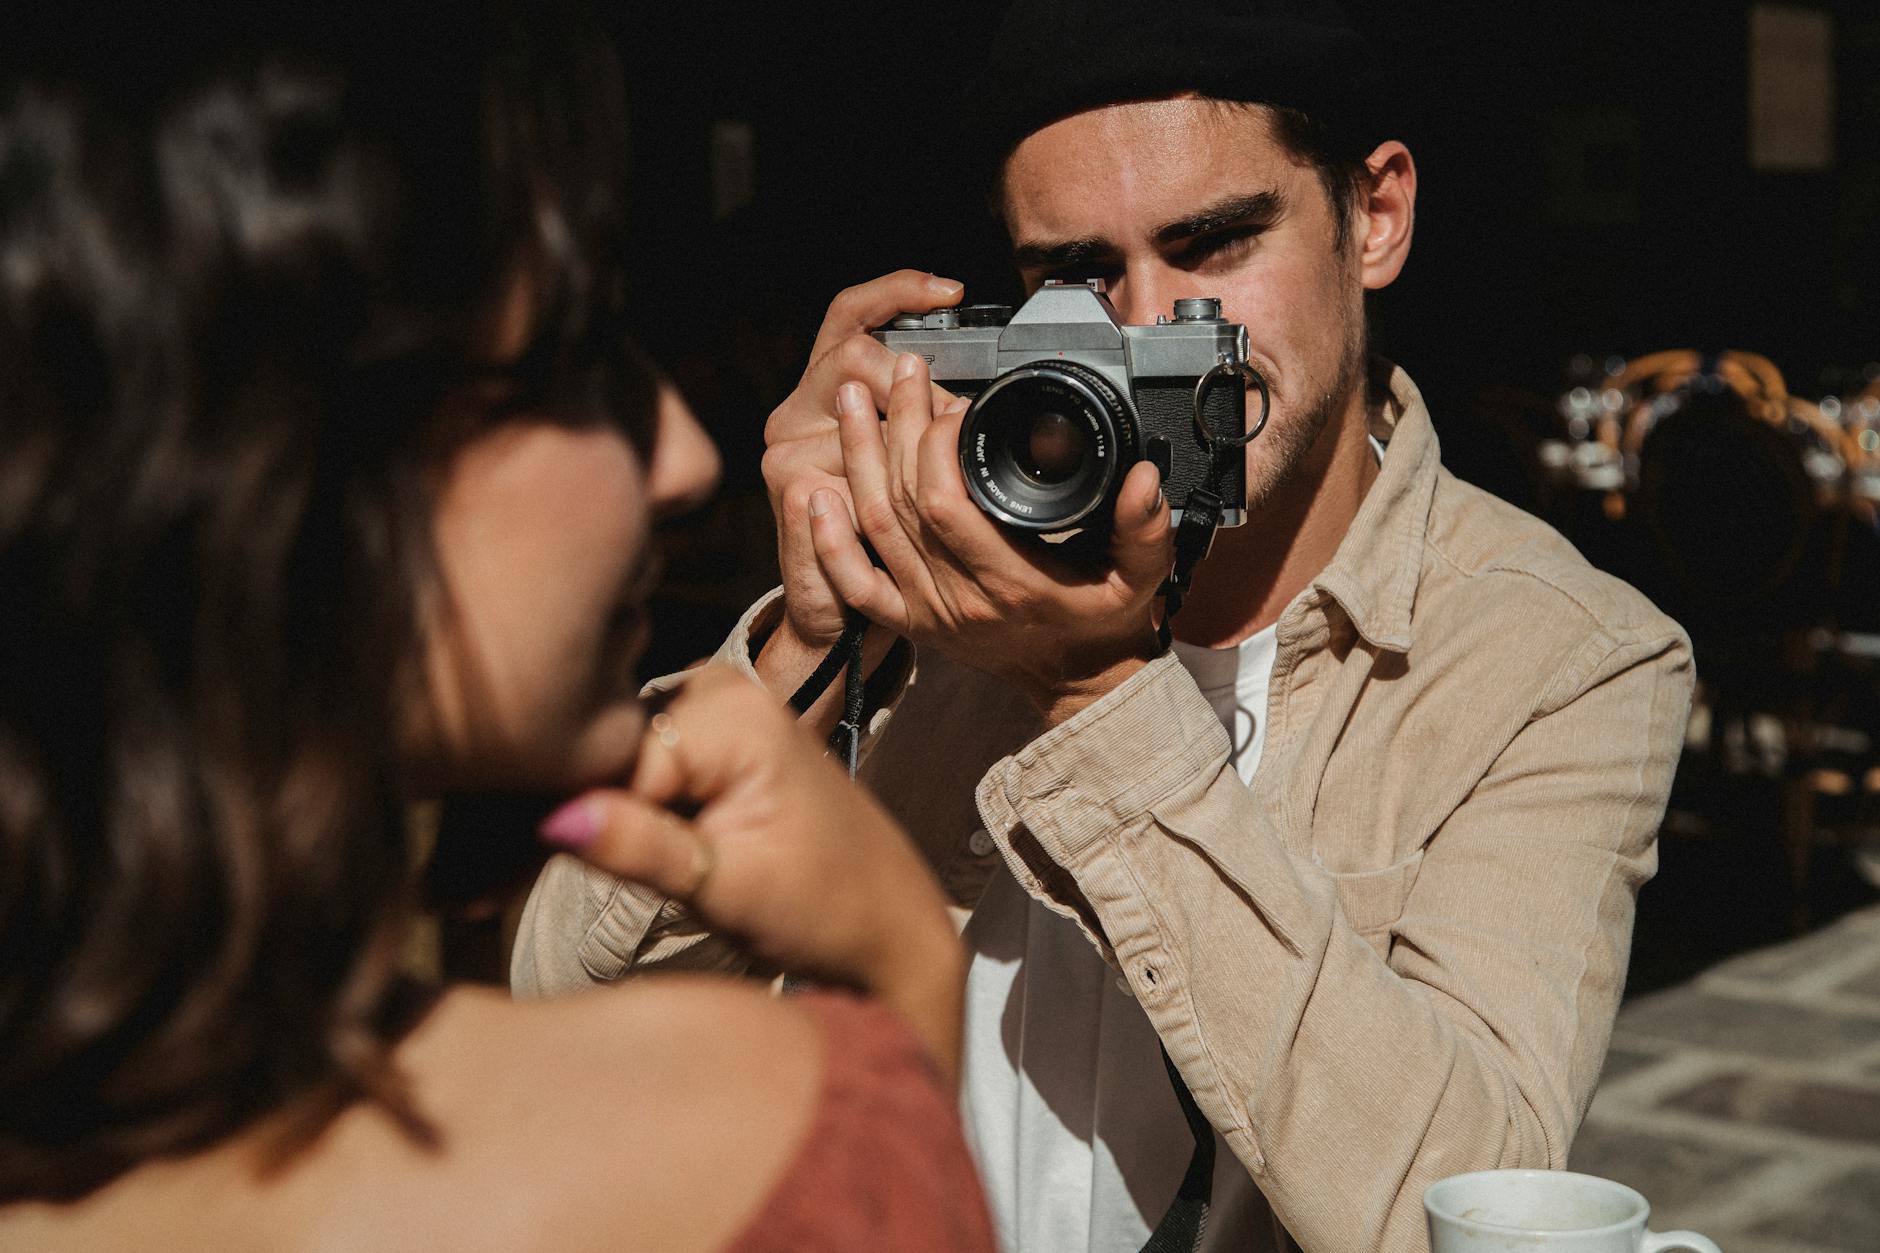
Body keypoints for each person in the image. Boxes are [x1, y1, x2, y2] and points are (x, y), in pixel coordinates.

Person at [515, 1, 1696, 1249]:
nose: (1145, 328)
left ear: (1375, 216)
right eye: (1073, 275)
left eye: (1216, 244)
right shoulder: (931, 588)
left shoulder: (1560, 657)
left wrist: (1091, 693)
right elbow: (562, 1010)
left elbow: (1460, 1209)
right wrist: (806, 644)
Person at [0, 6, 996, 1251]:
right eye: (571, 365)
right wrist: (898, 992)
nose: (685, 460)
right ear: (282, 461)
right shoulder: (735, 1134)